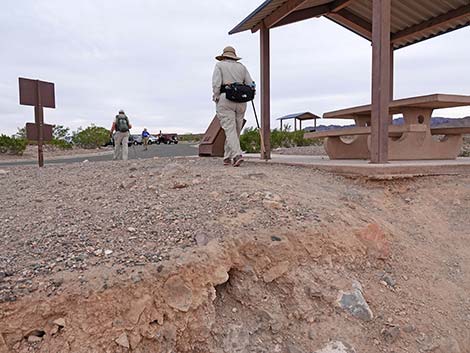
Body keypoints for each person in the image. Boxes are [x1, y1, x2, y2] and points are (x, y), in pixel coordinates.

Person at [212, 46, 255, 167]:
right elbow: (250, 83)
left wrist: (216, 96)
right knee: (235, 130)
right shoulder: (242, 67)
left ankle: (237, 155)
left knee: (230, 129)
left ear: (223, 56)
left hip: (225, 98)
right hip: (241, 101)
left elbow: (216, 83)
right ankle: (227, 157)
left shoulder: (219, 65)